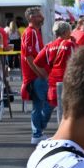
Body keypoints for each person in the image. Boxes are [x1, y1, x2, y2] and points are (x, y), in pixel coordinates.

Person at [23, 7, 53, 144]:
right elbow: (28, 56)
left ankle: (37, 133)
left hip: (35, 75)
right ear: (31, 18)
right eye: (39, 16)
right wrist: (40, 73)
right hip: (35, 76)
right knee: (46, 103)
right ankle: (37, 132)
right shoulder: (31, 32)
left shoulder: (34, 32)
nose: (42, 18)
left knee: (40, 104)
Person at [33, 22, 77, 110]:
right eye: (69, 31)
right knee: (68, 111)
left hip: (53, 82)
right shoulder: (70, 45)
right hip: (67, 81)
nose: (70, 33)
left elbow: (36, 62)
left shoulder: (49, 46)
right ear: (65, 32)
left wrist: (45, 75)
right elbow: (78, 62)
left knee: (56, 110)